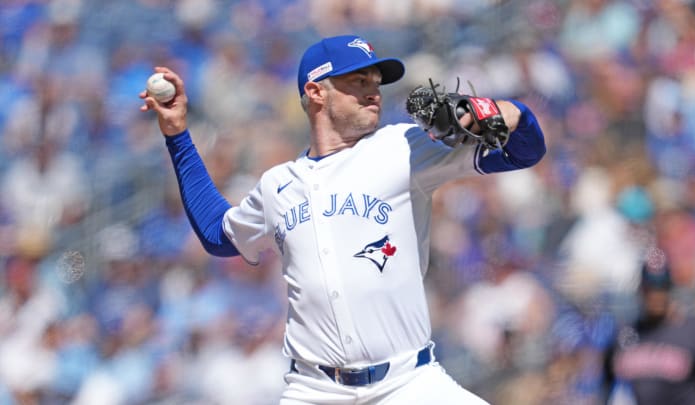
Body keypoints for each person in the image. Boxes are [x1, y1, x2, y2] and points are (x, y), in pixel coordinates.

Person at [140, 34, 546, 404]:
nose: (374, 93)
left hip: (409, 384)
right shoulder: (277, 185)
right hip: (315, 391)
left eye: (376, 83)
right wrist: (177, 135)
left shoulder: (403, 147)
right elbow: (216, 234)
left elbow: (526, 150)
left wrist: (492, 111)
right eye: (358, 82)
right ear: (316, 92)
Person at [603, 256, 695, 405]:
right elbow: (606, 388)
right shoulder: (623, 334)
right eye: (649, 287)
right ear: (640, 290)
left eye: (661, 287)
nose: (655, 295)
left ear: (670, 288)